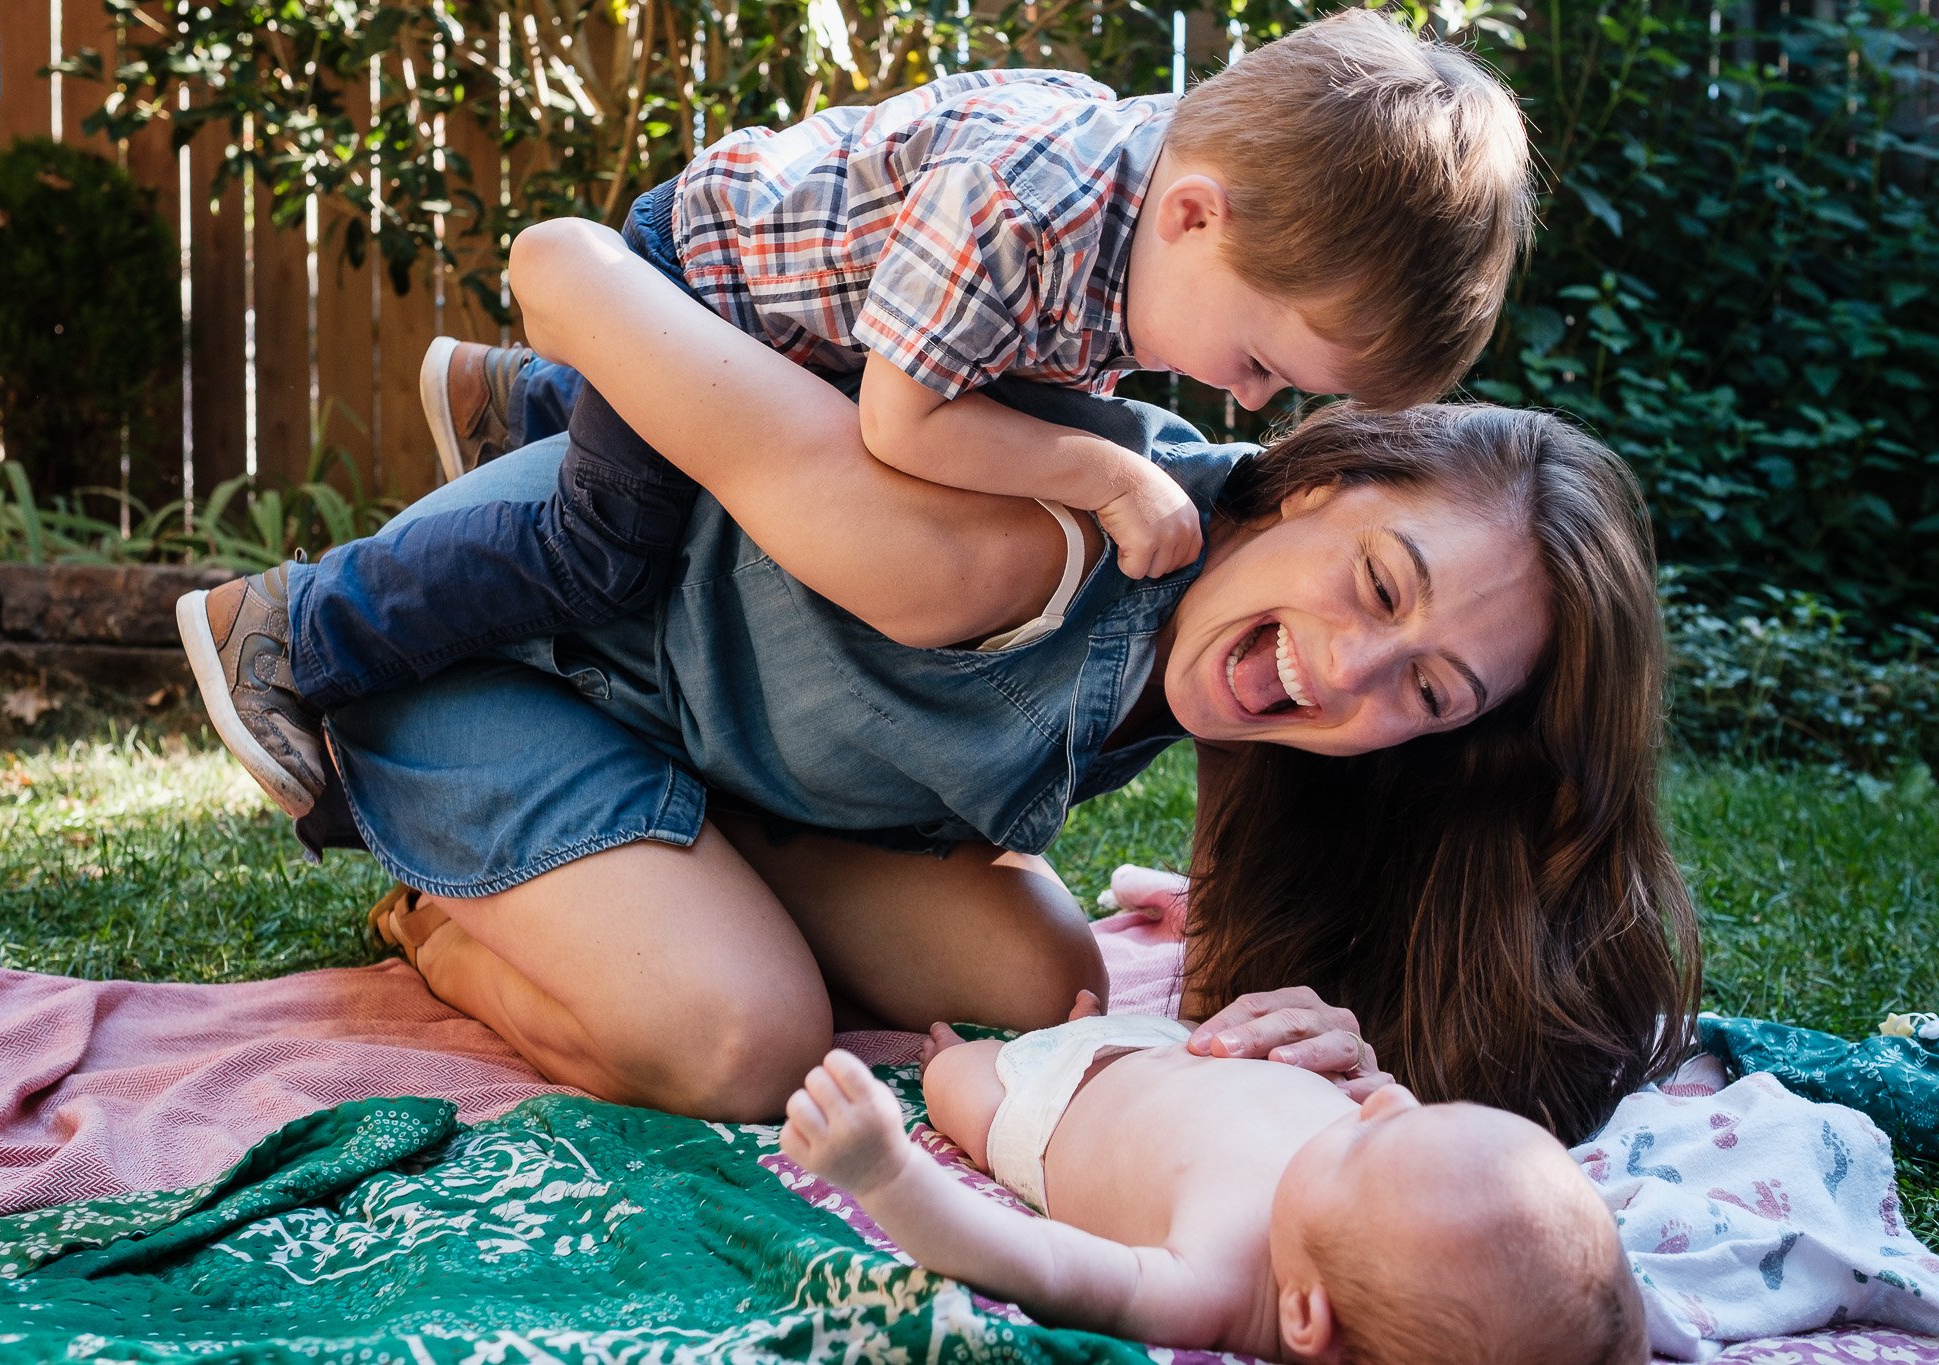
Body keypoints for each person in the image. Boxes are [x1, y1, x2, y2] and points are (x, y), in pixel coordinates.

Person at [196, 215, 1697, 1144]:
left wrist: (1344, 1052)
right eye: (1382, 584)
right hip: (497, 661)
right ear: (1322, 480)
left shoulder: (1197, 645)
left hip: (714, 733)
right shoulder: (1032, 530)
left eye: (1430, 693)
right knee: (743, 1040)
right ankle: (441, 909)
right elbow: (624, 307)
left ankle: (664, 879)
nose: (1356, 668)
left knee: (1046, 983)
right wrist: (566, 335)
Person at [178, 8, 1533, 820]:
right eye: (1254, 358)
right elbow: (903, 428)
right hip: (697, 287)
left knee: (642, 491)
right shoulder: (1036, 214)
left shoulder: (1155, 220)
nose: (1246, 401)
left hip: (801, 324)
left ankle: (532, 404)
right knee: (600, 549)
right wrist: (1105, 480)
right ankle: (298, 630)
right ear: (1196, 218)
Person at [776, 1003, 1648, 1363]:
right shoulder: (1387, 1200)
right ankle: (1089, 1017)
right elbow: (1585, 1301)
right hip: (1176, 1040)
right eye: (1420, 1109)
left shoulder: (1215, 1278)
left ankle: (951, 1056)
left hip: (1045, 1097)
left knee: (956, 1083)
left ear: (1307, 1316)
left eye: (1368, 1144)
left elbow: (1032, 1260)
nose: (1381, 1108)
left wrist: (885, 1172)